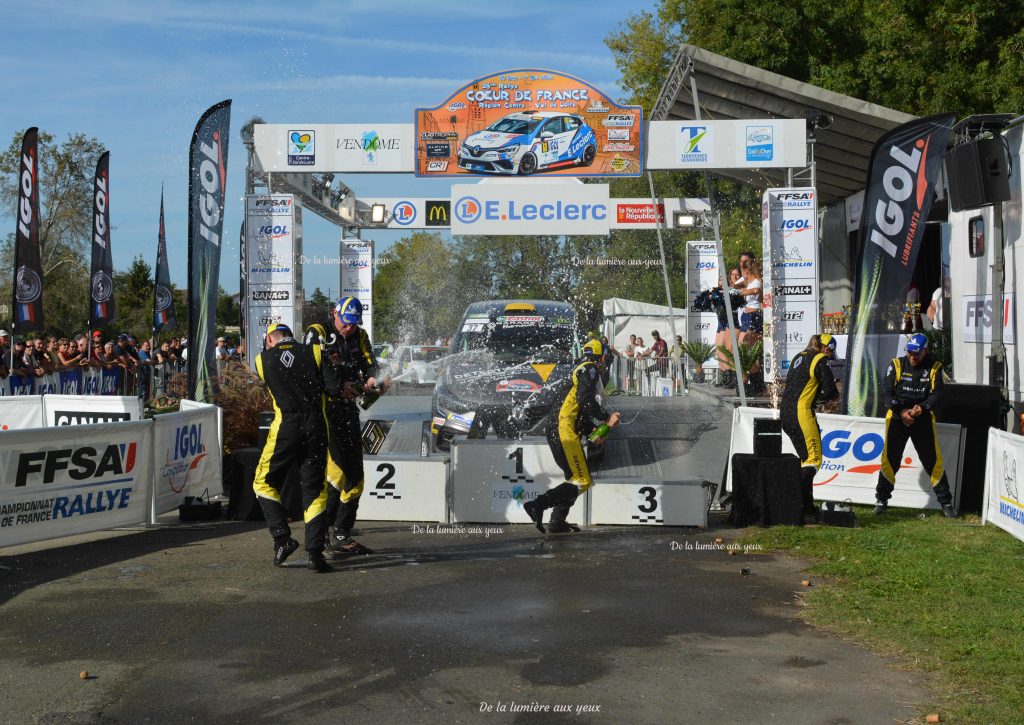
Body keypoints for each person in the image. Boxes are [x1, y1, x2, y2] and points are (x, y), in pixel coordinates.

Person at [305, 296, 386, 557]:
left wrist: (374, 378)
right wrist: (339, 387)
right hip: (324, 411)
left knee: (356, 476)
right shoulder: (317, 333)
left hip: (348, 411)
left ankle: (342, 532)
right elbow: (309, 371)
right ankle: (324, 533)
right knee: (336, 474)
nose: (349, 328)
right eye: (345, 322)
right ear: (334, 313)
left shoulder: (359, 335)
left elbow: (370, 362)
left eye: (353, 323)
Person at [253, 323, 332, 572]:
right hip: (316, 426)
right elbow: (332, 389)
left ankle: (282, 538)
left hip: (285, 428)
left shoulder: (262, 360)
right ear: (290, 335)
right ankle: (316, 553)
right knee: (315, 490)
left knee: (262, 482)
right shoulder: (316, 352)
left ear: (270, 340)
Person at [524, 339, 621, 533]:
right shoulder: (589, 369)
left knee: (572, 477)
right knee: (582, 480)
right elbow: (585, 400)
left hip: (557, 430)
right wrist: (606, 417)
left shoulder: (577, 369)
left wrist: (592, 432)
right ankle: (537, 504)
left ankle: (557, 521)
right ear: (601, 357)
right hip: (563, 431)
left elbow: (578, 410)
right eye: (605, 359)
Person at [874, 333, 957, 517]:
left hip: (923, 417)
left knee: (932, 461)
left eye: (917, 354)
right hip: (897, 416)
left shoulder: (935, 367)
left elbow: (937, 394)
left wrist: (924, 407)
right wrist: (901, 412)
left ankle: (947, 504)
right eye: (910, 352)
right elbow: (886, 393)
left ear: (926, 351)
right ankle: (881, 500)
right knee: (890, 460)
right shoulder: (896, 364)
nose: (912, 357)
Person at [780, 334, 839, 518]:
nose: (830, 356)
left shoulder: (799, 356)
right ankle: (790, 501)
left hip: (786, 413)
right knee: (814, 460)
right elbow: (831, 391)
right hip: (801, 413)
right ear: (825, 348)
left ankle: (806, 505)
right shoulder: (820, 359)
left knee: (805, 460)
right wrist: (822, 400)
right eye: (830, 352)